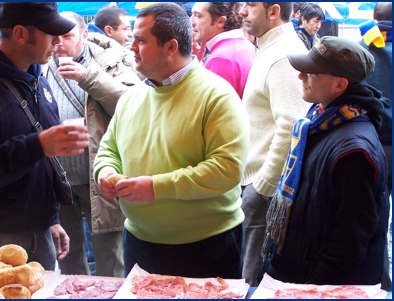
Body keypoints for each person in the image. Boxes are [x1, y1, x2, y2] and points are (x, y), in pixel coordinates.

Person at [94, 2, 250, 279]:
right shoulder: (132, 97)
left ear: (171, 47)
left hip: (206, 247)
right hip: (139, 243)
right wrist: (105, 172)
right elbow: (109, 149)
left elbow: (227, 169)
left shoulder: (217, 96)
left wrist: (156, 187)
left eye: (141, 41)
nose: (131, 48)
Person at [0, 2, 90, 270]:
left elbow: (43, 163)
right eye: (50, 33)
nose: (58, 41)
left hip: (39, 229)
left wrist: (51, 218)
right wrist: (39, 145)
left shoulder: (36, 78)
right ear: (21, 34)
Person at [260, 36, 389, 287]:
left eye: (311, 72)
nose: (301, 76)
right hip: (303, 273)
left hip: (322, 285)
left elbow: (350, 241)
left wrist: (314, 287)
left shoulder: (353, 152)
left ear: (340, 84)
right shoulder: (321, 122)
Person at [46, 11, 141, 277]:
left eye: (67, 36)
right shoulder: (40, 64)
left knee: (110, 257)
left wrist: (87, 77)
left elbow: (134, 104)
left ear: (85, 35)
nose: (59, 42)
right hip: (60, 179)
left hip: (99, 175)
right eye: (54, 37)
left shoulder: (111, 62)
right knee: (68, 256)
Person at [238, 2, 310, 287]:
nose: (242, 10)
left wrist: (263, 187)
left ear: (273, 11)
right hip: (256, 186)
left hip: (263, 190)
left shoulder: (282, 55)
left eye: (250, 4)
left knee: (251, 281)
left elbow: (292, 125)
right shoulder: (270, 49)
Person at [358, 2, 392, 291]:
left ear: (374, 19)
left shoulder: (361, 47)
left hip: (373, 145)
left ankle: (382, 283)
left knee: (376, 218)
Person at [190, 2, 256, 99]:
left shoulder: (221, 59)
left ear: (220, 22)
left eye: (198, 16)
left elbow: (207, 107)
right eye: (192, 14)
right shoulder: (245, 46)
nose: (191, 21)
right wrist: (197, 62)